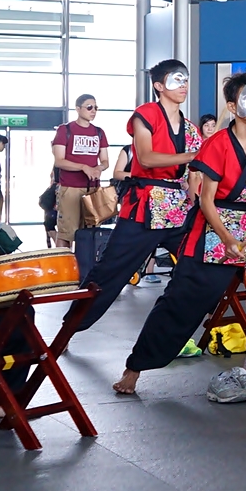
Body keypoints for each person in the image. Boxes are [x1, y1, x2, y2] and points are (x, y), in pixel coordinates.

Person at [111, 72, 246, 396]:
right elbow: (207, 200)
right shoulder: (216, 144)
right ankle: (135, 367)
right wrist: (226, 239)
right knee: (181, 300)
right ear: (232, 105)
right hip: (213, 226)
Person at [63, 60, 203, 335]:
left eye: (186, 80)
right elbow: (147, 157)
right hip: (145, 207)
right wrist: (192, 157)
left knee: (199, 266)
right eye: (177, 80)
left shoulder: (189, 128)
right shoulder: (145, 114)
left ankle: (193, 328)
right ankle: (69, 328)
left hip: (178, 208)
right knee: (110, 272)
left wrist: (197, 178)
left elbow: (197, 168)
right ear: (159, 86)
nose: (184, 85)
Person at [51, 94, 108, 247]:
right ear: (78, 109)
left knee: (91, 232)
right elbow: (59, 161)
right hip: (70, 188)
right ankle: (64, 268)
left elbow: (105, 161)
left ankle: (85, 267)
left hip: (93, 190)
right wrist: (83, 167)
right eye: (89, 107)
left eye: (96, 107)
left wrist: (99, 168)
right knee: (67, 232)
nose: (93, 111)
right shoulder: (65, 130)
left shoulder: (99, 132)